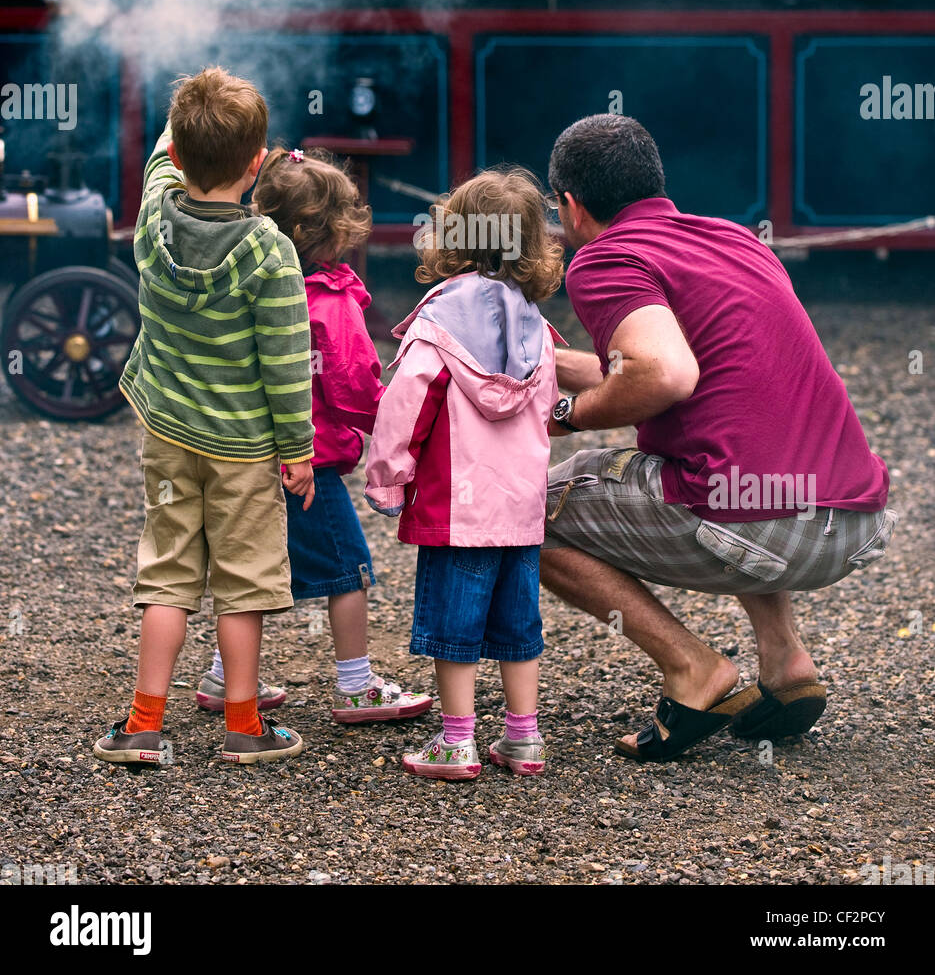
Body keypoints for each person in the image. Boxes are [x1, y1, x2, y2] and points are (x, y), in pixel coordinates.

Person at [542, 114, 893, 763]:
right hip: (851, 520)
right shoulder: (731, 239)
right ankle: (784, 662)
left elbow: (663, 373)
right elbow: (695, 371)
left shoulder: (603, 258)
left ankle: (692, 670)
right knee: (733, 446)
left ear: (568, 203)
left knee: (527, 511)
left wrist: (564, 414)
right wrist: (543, 358)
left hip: (758, 531)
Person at [94, 68, 313, 767]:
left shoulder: (154, 219)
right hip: (243, 448)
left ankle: (142, 723)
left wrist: (180, 122)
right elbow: (284, 361)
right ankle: (243, 726)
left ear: (179, 157)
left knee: (166, 573)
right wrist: (297, 448)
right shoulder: (269, 251)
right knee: (243, 581)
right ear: (258, 164)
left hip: (167, 435)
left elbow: (163, 161)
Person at [195, 147, 432, 724]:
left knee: (251, 567)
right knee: (348, 571)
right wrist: (400, 426)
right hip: (311, 465)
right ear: (327, 234)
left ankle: (223, 678)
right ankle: (355, 685)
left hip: (248, 457)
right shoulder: (329, 303)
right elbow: (353, 385)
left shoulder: (244, 284)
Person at [365, 170, 564, 780]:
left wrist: (388, 478)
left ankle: (456, 743)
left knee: (454, 630)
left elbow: (405, 405)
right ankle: (522, 738)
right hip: (521, 510)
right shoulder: (537, 328)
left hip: (458, 511)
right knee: (516, 627)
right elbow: (546, 414)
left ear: (451, 235)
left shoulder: (440, 323)